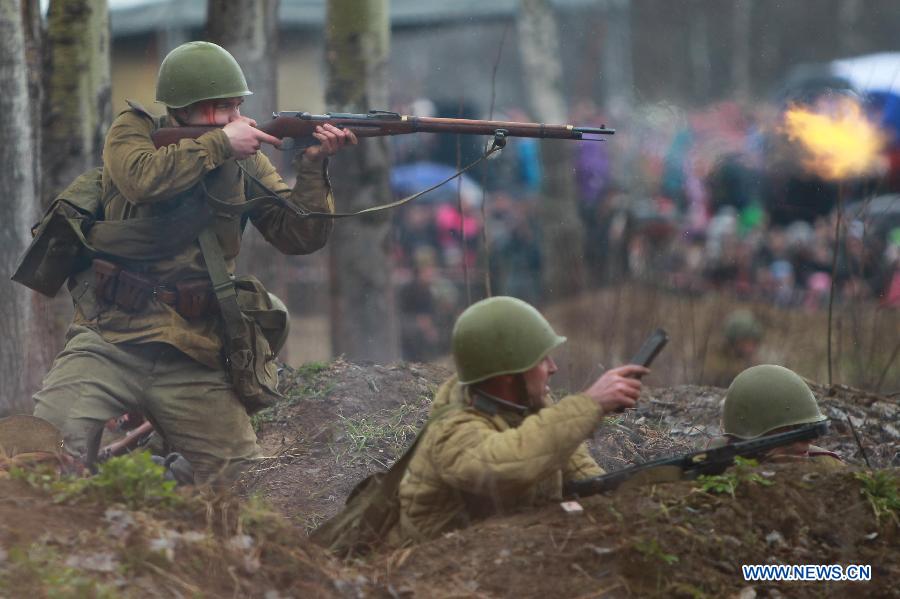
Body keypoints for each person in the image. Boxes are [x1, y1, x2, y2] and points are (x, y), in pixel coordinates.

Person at [30, 41, 356, 486]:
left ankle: (162, 481)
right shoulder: (135, 131)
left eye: (236, 106)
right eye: (218, 108)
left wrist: (314, 168)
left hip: (194, 348)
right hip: (110, 338)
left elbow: (297, 235)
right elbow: (141, 180)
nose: (232, 118)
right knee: (41, 453)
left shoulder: (247, 159)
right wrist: (220, 144)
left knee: (243, 486)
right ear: (180, 109)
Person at [387, 296, 648, 545]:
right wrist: (590, 404)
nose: (553, 367)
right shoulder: (453, 432)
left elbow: (580, 472)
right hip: (432, 572)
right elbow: (507, 463)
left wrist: (622, 500)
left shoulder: (528, 405)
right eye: (541, 359)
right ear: (508, 375)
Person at [709, 364, 844, 469]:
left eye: (808, 428)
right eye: (794, 429)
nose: (808, 442)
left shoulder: (827, 466)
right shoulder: (716, 466)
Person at [702, 309, 763, 388]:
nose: (750, 348)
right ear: (733, 342)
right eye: (745, 342)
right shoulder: (714, 362)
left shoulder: (754, 363)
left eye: (753, 343)